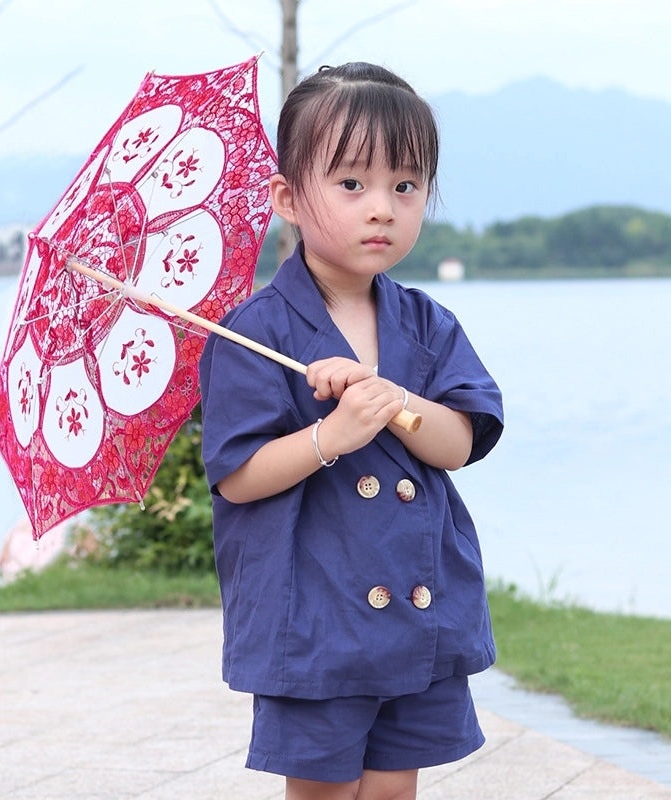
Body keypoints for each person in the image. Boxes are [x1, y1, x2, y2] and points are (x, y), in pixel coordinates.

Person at [199, 62, 504, 800]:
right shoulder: (253, 333)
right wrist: (330, 436)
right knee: (325, 790)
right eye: (351, 183)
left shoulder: (425, 322)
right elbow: (237, 477)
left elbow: (459, 442)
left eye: (405, 186)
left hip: (415, 596)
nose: (381, 209)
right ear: (288, 199)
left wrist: (394, 400)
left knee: (394, 786)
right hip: (316, 611)